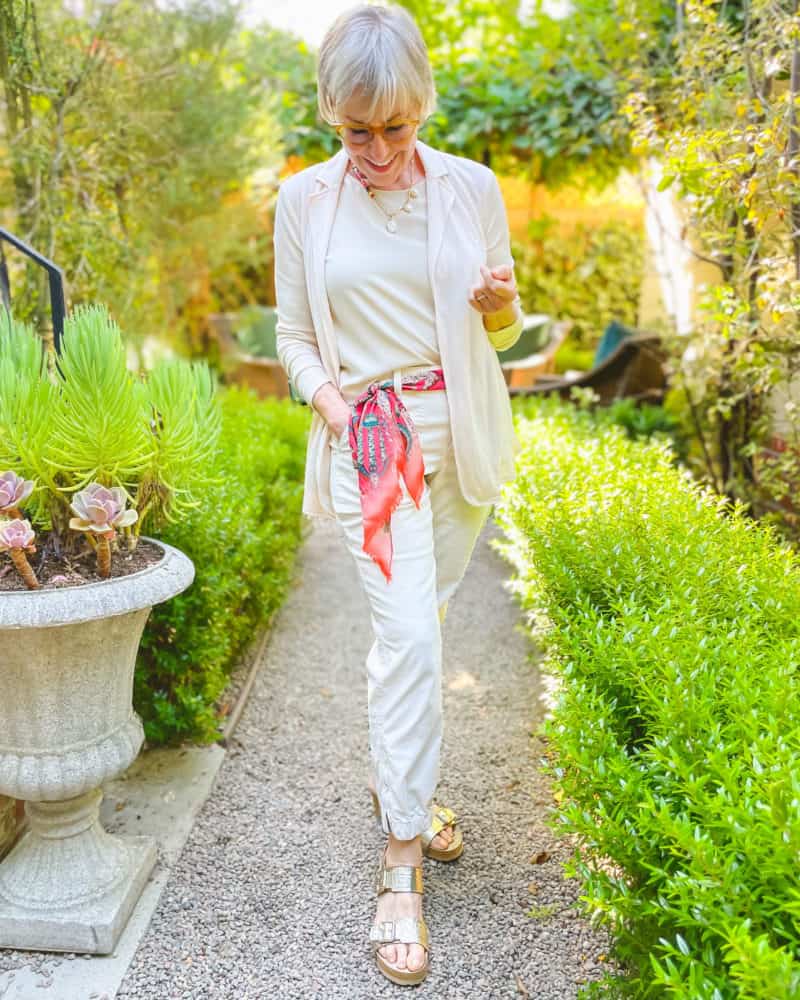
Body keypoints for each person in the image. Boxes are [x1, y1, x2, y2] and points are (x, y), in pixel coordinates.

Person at [272, 2, 523, 986]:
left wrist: (500, 309)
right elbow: (292, 338)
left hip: (456, 435)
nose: (377, 149)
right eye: (356, 130)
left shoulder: (472, 188)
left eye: (397, 126)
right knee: (407, 640)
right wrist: (337, 409)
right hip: (368, 439)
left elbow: (500, 334)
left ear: (421, 107)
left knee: (425, 619)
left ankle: (407, 787)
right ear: (331, 115)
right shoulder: (303, 201)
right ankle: (400, 862)